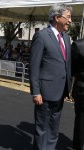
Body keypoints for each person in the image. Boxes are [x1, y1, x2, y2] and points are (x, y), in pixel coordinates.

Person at [29, 3, 72, 150]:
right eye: (68, 17)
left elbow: (67, 65)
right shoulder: (41, 36)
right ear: (57, 17)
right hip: (44, 92)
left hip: (60, 91)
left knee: (54, 127)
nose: (70, 21)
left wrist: (68, 88)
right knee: (42, 127)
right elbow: (34, 66)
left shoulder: (66, 38)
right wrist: (36, 91)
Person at [71, 39, 84, 150]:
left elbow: (72, 69)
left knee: (80, 122)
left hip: (81, 90)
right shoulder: (79, 45)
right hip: (81, 91)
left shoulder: (79, 45)